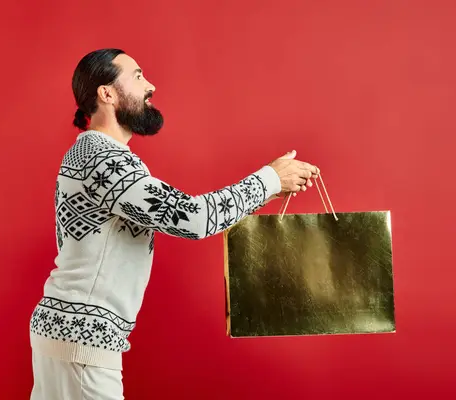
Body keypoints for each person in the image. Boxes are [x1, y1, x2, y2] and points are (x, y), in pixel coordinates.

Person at [29, 48, 320, 400]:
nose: (150, 85)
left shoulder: (91, 154)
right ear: (106, 93)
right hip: (82, 343)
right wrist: (269, 180)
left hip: (66, 335)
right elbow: (193, 219)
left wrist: (267, 191)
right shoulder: (104, 159)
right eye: (137, 76)